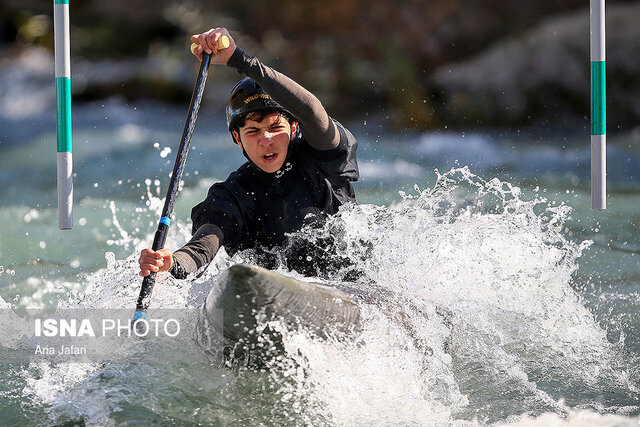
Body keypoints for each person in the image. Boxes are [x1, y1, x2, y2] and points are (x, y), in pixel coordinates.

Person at [138, 28, 359, 280]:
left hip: (351, 286)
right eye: (253, 131)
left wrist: (239, 59)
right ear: (237, 138)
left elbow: (311, 111)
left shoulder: (324, 156)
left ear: (294, 128)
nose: (266, 139)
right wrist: (171, 262)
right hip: (275, 294)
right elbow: (204, 244)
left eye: (276, 128)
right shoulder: (233, 194)